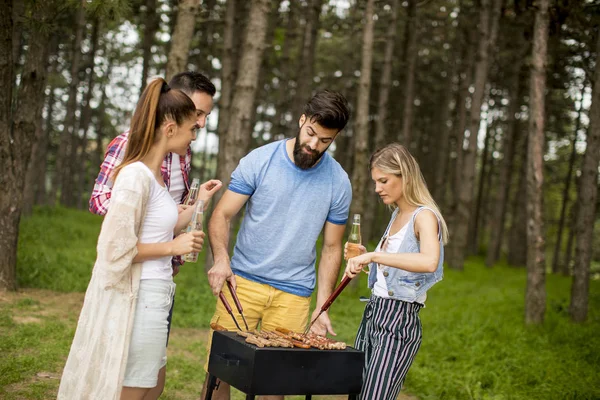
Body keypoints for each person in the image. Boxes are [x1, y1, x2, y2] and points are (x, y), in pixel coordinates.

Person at [58, 78, 217, 400]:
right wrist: (173, 247)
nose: (195, 134)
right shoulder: (134, 175)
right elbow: (115, 249)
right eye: (192, 127)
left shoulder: (156, 174)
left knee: (149, 383)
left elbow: (159, 222)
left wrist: (198, 203)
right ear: (170, 129)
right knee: (134, 386)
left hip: (157, 289)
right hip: (139, 292)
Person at [201, 90, 352, 400]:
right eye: (310, 133)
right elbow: (222, 214)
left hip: (294, 294)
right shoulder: (261, 159)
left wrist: (322, 306)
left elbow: (332, 248)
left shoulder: (339, 181)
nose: (313, 145)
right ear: (301, 120)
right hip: (240, 283)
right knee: (219, 374)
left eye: (325, 141)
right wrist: (221, 259)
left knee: (276, 385)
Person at [343, 143, 449, 400]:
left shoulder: (424, 216)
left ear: (405, 175)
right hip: (374, 314)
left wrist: (376, 255)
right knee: (356, 393)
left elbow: (429, 261)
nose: (377, 188)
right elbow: (395, 270)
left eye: (383, 180)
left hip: (398, 321)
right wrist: (364, 259)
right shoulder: (398, 214)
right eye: (375, 182)